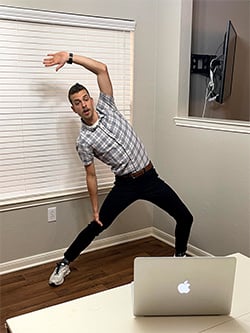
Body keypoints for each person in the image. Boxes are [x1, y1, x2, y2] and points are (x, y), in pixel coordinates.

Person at [43, 51, 193, 286]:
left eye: (85, 98)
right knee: (97, 225)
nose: (83, 104)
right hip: (126, 185)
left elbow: (101, 69)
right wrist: (94, 209)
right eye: (77, 103)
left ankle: (180, 257)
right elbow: (90, 175)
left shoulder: (108, 108)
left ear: (91, 99)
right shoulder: (84, 141)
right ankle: (64, 263)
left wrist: (70, 57)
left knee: (185, 217)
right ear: (73, 109)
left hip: (150, 177)